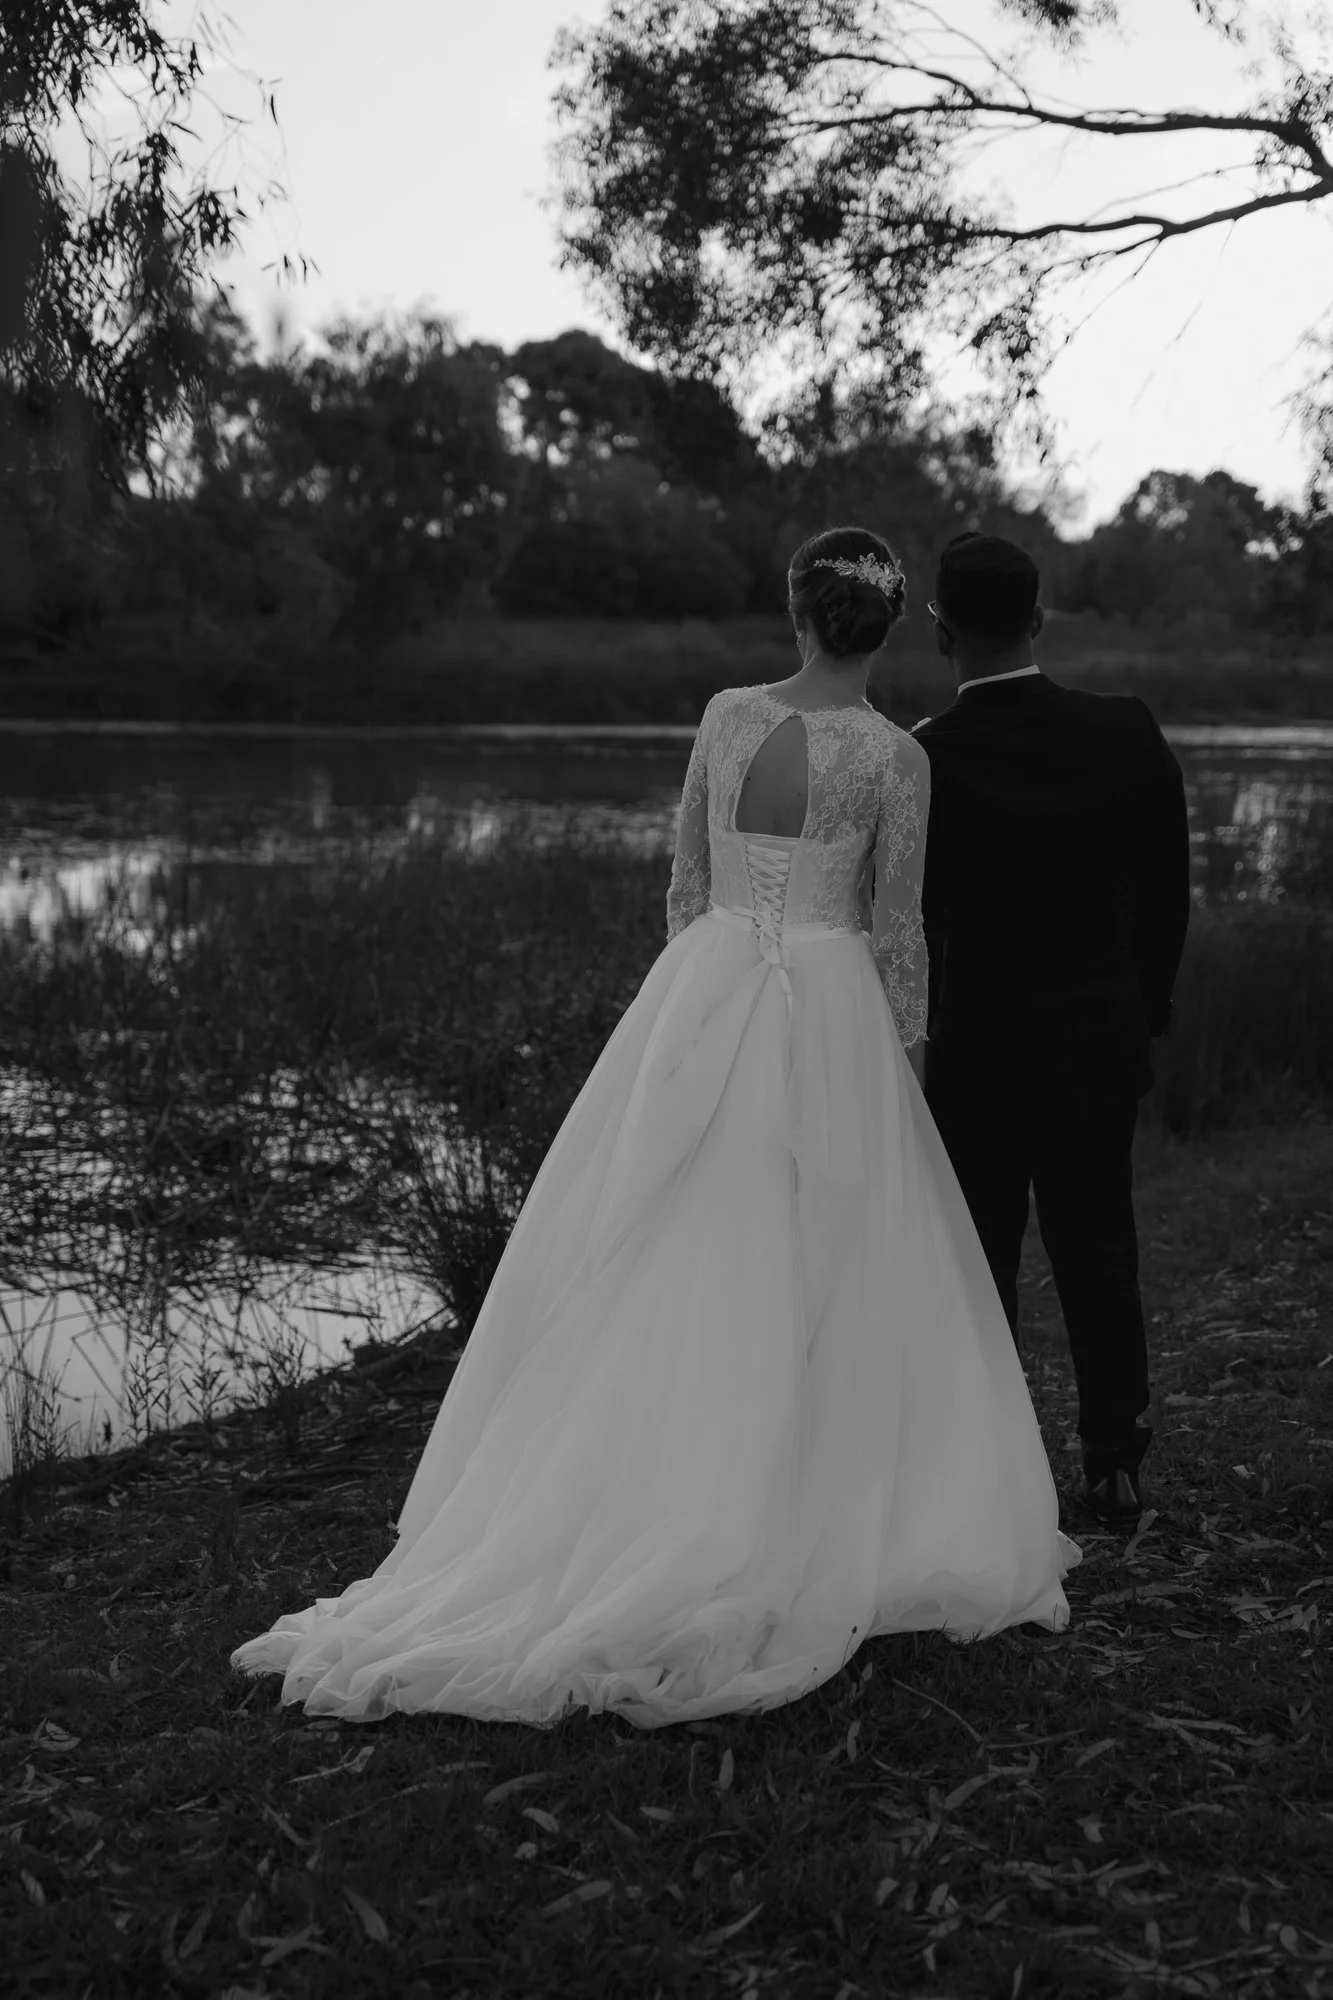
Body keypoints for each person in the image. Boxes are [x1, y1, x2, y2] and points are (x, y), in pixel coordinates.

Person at [231, 526, 1078, 1730]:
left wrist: (701, 998)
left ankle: (643, 1481)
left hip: (708, 983)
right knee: (820, 1246)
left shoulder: (727, 715)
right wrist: (901, 1071)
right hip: (831, 1002)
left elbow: (685, 878)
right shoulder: (896, 757)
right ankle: (793, 1492)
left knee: (667, 1226)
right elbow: (897, 932)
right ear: (889, 628)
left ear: (794, 611)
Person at [913, 532, 1191, 1530]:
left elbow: (915, 916)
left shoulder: (926, 755)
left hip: (980, 1047)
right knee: (1097, 1244)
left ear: (939, 627)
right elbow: (1167, 893)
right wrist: (1142, 1010)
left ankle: (985, 1466)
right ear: (1038, 619)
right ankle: (1113, 1456)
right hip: (1094, 1038)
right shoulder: (1124, 730)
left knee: (977, 1256)